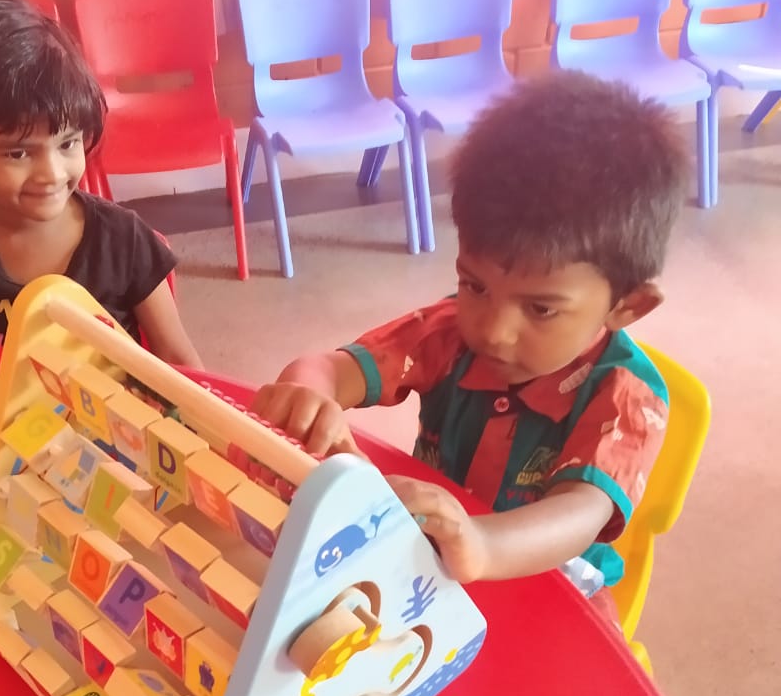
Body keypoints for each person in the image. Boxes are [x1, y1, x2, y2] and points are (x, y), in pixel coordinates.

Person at [253, 70, 688, 604]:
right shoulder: (449, 330)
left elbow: (579, 513)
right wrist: (308, 395)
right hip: (430, 552)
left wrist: (480, 543)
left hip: (552, 586)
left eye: (541, 308)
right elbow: (329, 369)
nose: (492, 330)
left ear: (627, 306)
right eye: (474, 285)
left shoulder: (626, 396)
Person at [0, 0, 202, 367]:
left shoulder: (125, 239)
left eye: (67, 143)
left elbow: (178, 359)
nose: (52, 174)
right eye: (18, 153)